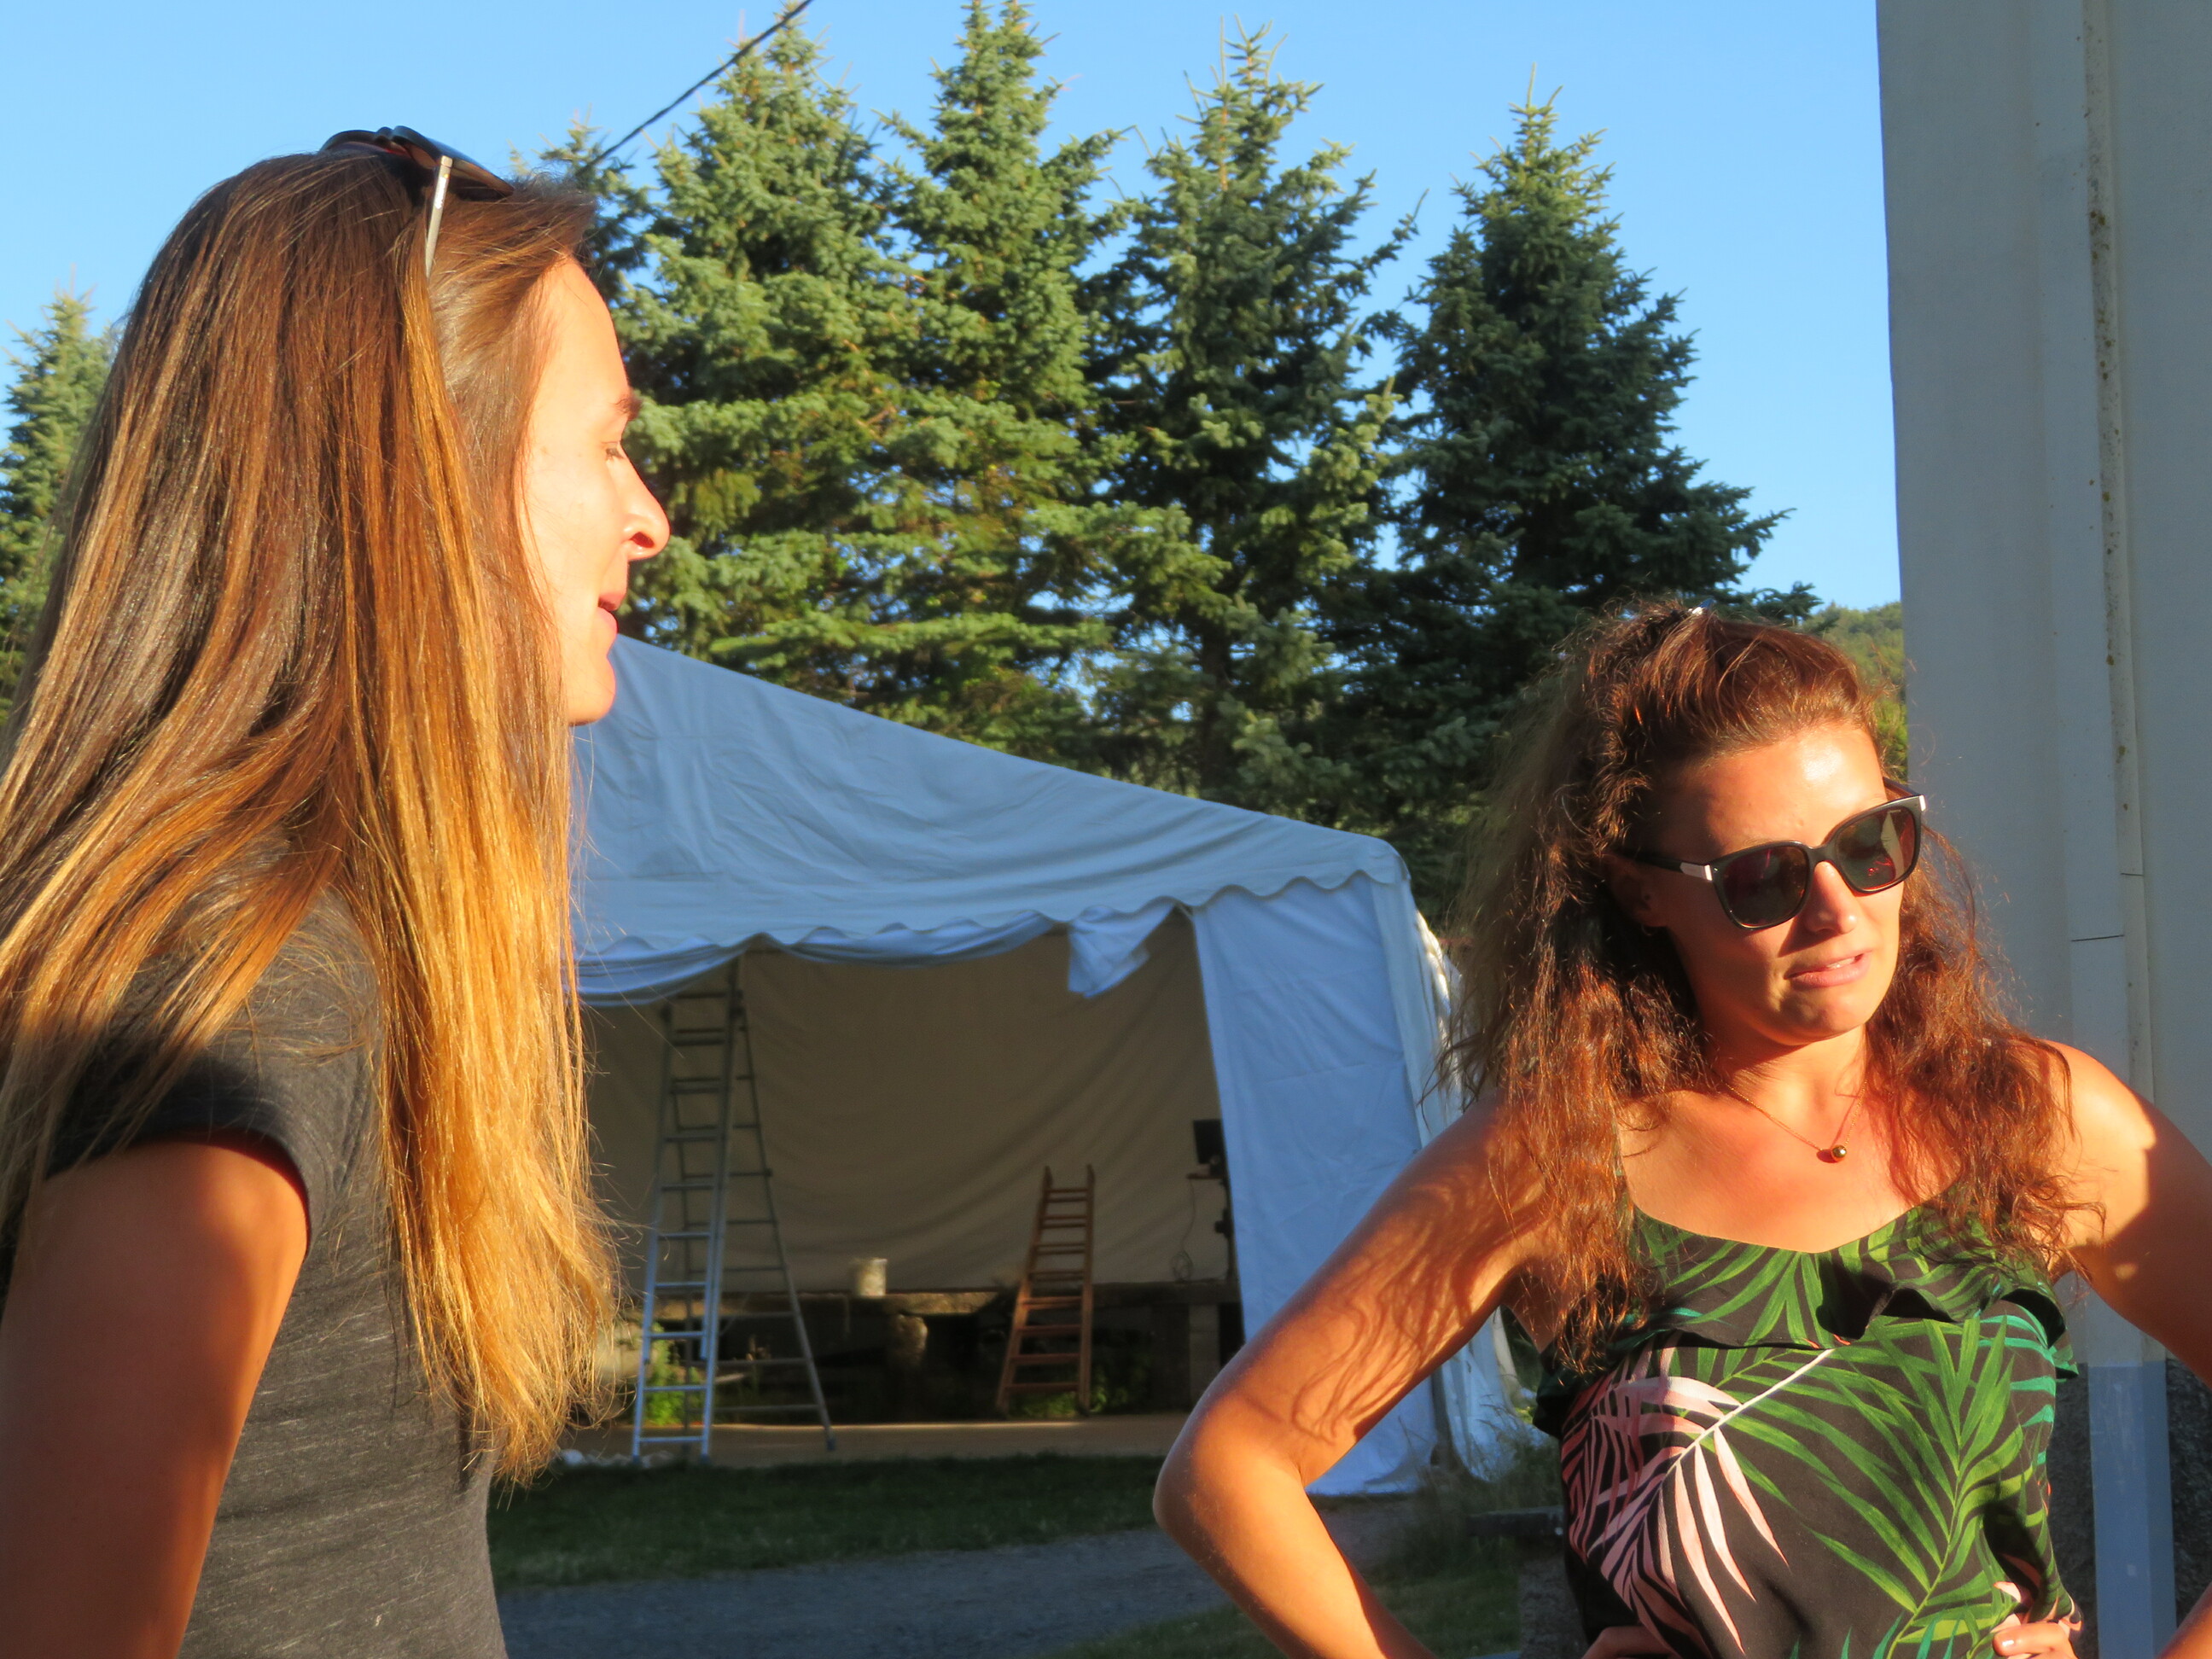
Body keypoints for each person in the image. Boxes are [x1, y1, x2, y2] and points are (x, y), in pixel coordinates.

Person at [1155, 604, 2212, 1658]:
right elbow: (1230, 1468)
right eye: (1765, 877)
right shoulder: (1551, 1157)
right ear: (1640, 892)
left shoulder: (2037, 1116)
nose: (1839, 910)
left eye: (1871, 842)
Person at [0, 127, 668, 1656]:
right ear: (425, 472)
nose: (649, 515)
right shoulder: (241, 1004)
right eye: (604, 443)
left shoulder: (298, 963)